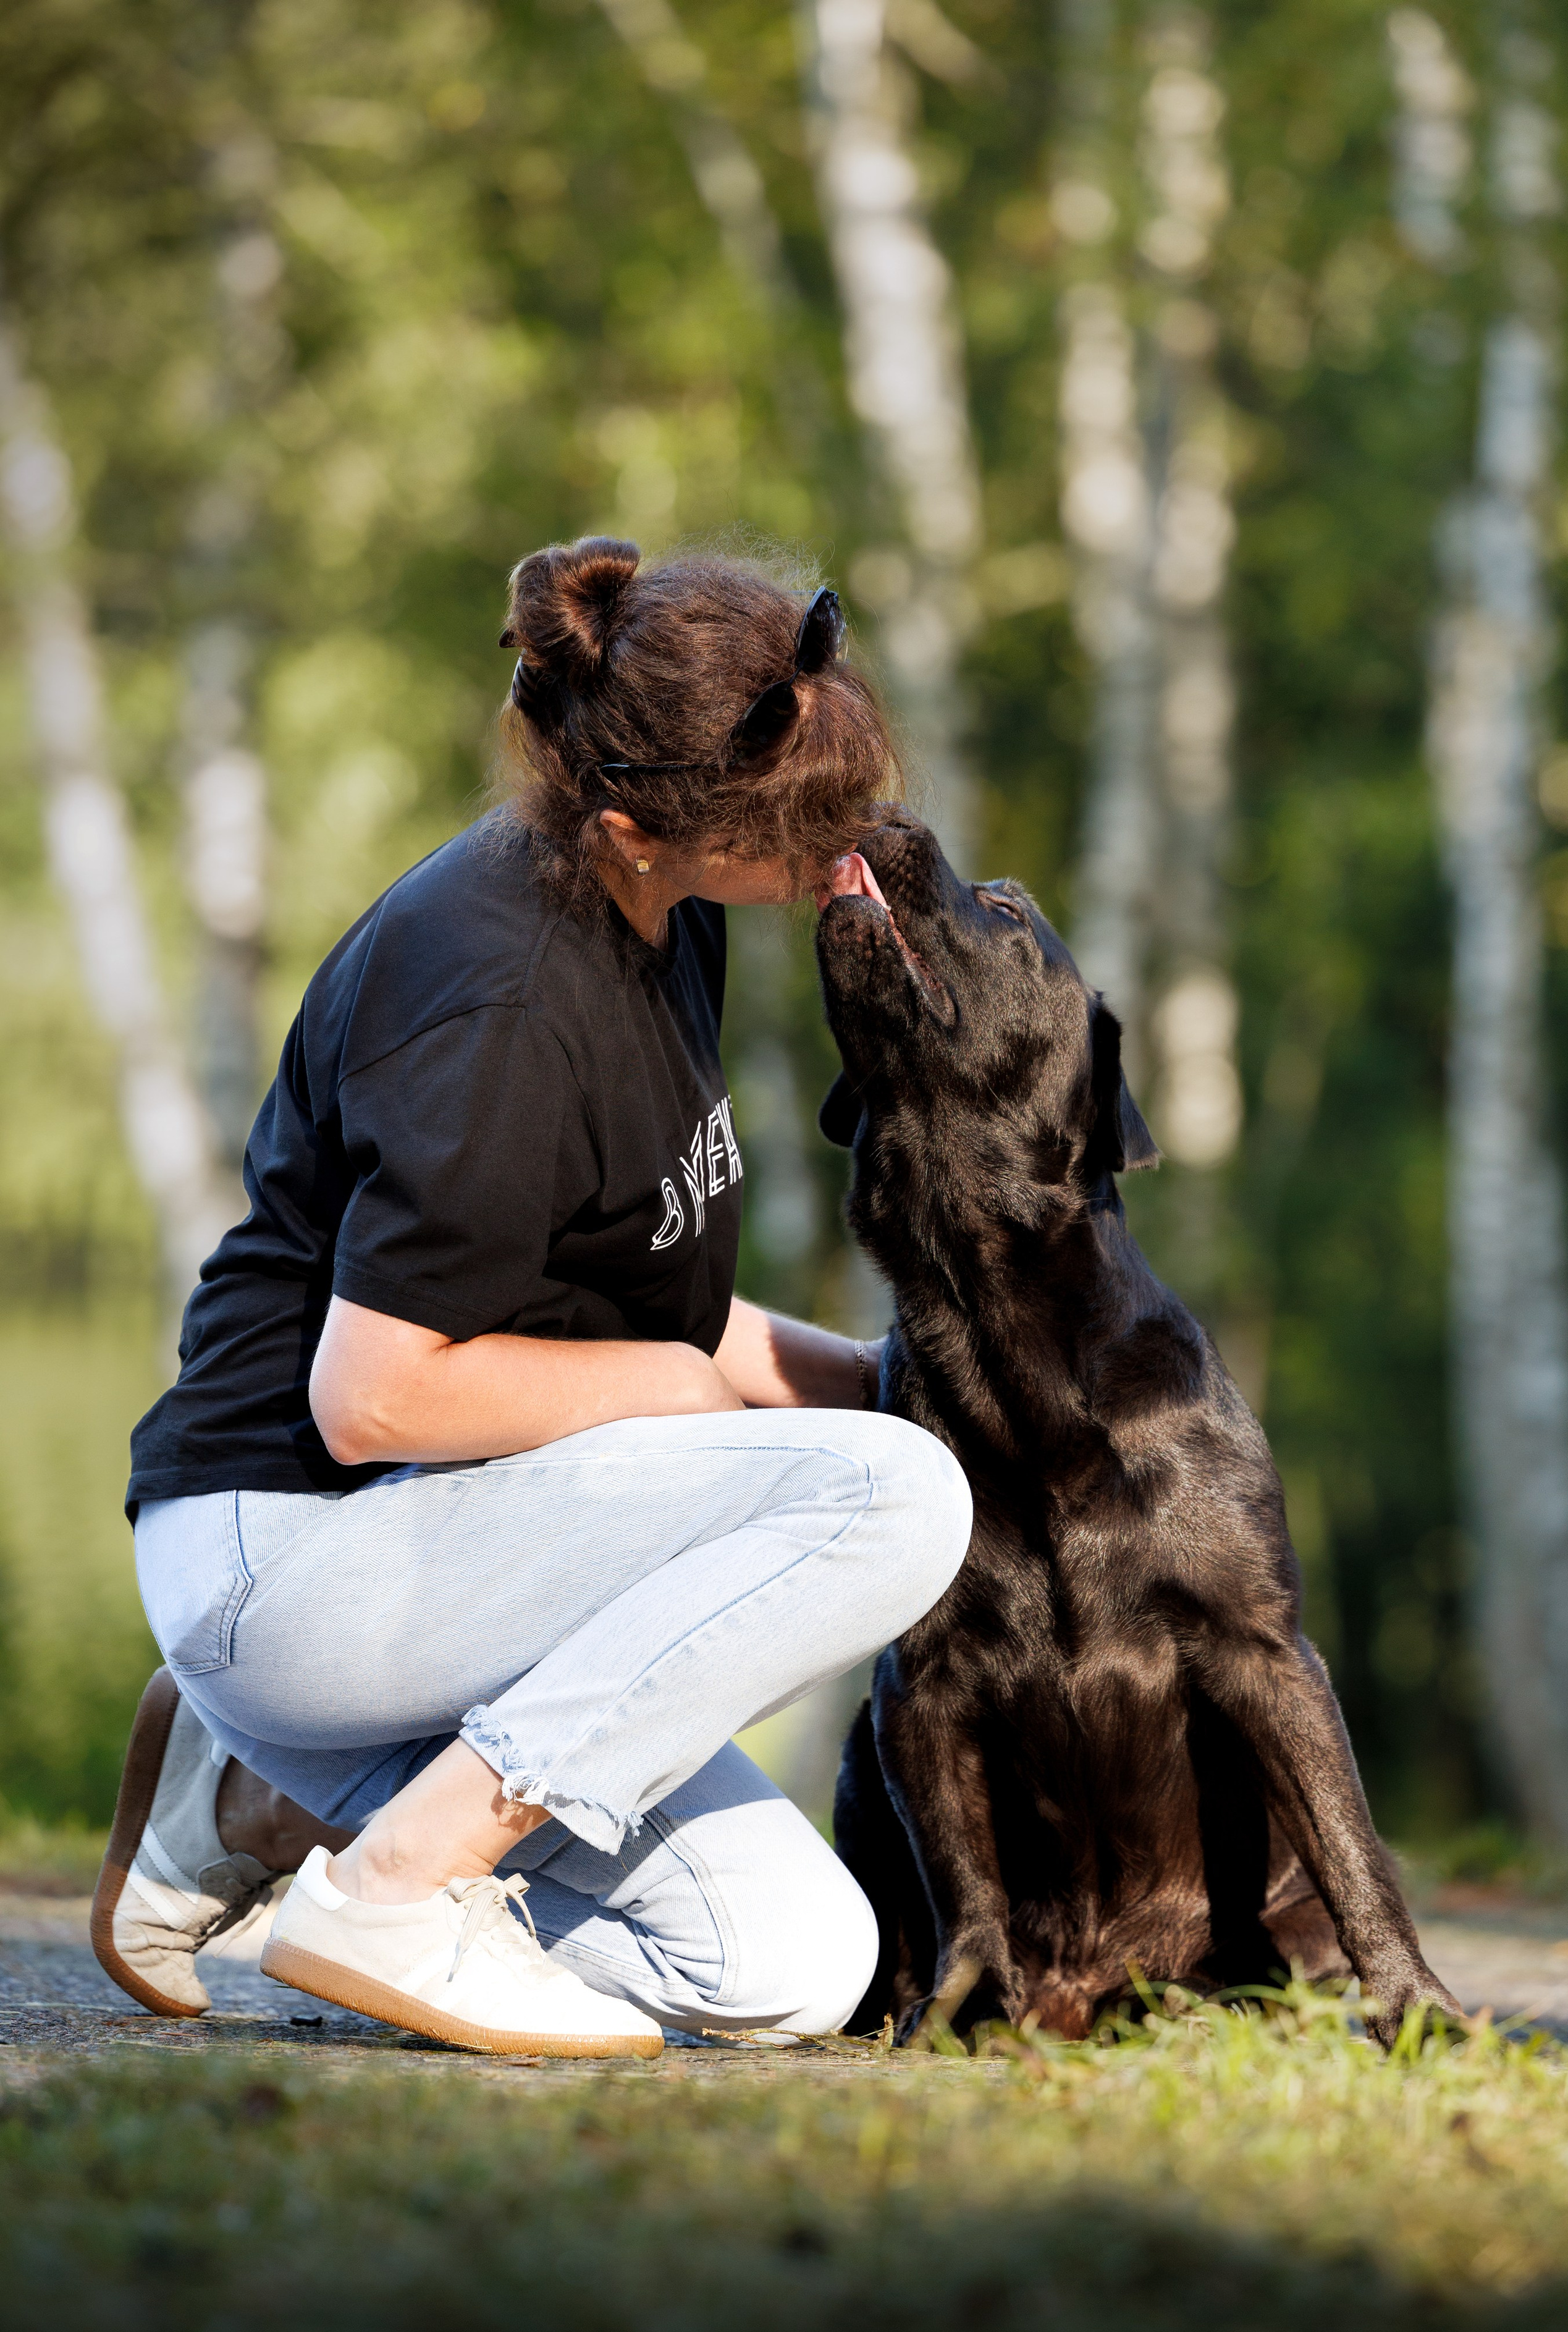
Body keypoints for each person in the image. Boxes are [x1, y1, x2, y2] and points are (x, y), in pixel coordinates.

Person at [100, 539, 974, 2058]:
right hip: (288, 1549)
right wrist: (713, 1405)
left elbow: (651, 1316)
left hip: (436, 1559)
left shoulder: (654, 906)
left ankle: (262, 1790)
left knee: (787, 1964)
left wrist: (920, 1388)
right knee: (894, 1502)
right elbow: (373, 1396)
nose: (846, 855)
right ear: (639, 818)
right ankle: (386, 1885)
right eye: (806, 824)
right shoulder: (502, 997)